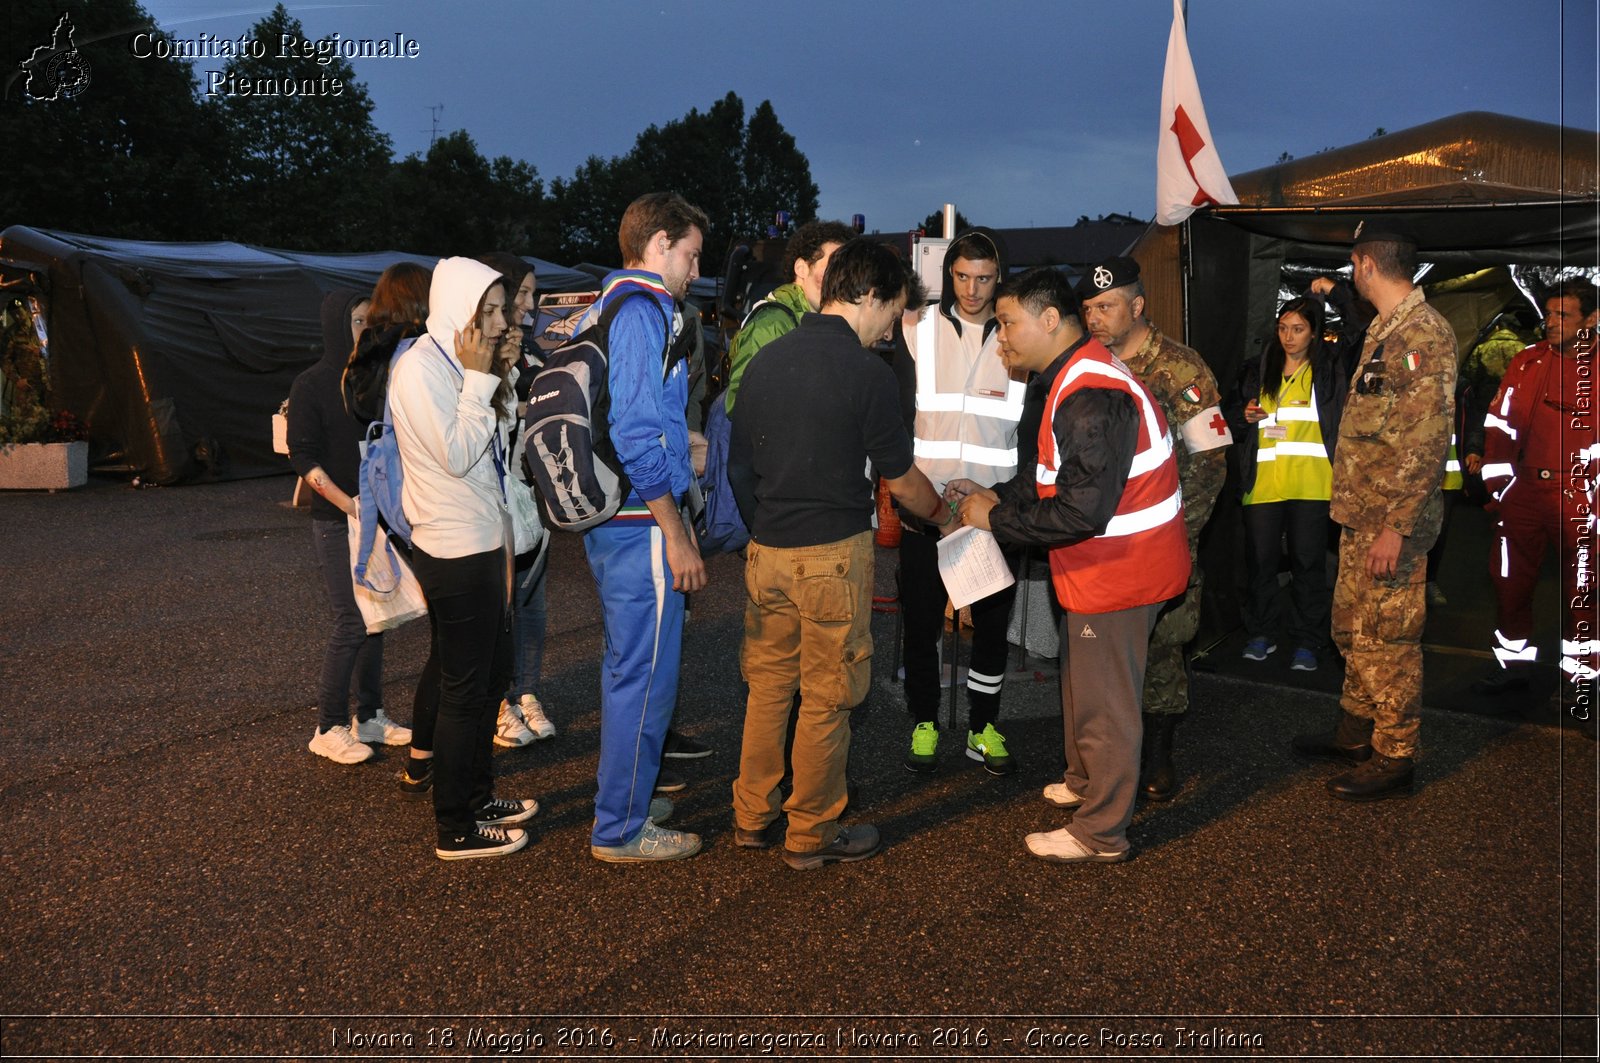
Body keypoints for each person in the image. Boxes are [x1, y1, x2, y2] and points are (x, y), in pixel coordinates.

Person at [953, 267, 1190, 863]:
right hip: (1102, 568)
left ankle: (1101, 832)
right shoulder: (1072, 376)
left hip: (1120, 571)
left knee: (1107, 702)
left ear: (1051, 320)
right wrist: (999, 499)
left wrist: (993, 520)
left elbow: (1081, 511)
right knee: (1083, 683)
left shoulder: (1090, 391)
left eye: (1007, 322)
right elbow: (1053, 481)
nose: (999, 335)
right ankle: (1086, 782)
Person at [728, 238, 940, 869]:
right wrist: (946, 516)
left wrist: (765, 528)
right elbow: (901, 480)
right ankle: (812, 831)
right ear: (869, 296)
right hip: (832, 557)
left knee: (768, 688)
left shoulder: (766, 360)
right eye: (895, 313)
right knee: (827, 695)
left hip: (767, 548)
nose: (893, 330)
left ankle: (751, 814)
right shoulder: (866, 373)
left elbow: (739, 469)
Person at [1292, 226, 1456, 801]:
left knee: (1388, 640)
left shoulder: (1422, 334)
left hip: (1392, 523)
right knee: (1352, 631)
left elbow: (1428, 442)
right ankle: (1355, 733)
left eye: (1352, 265)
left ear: (1364, 265)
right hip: (1362, 515)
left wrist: (1397, 527)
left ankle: (1396, 755)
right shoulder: (1385, 331)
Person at [389, 257, 539, 859]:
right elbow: (457, 454)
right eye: (492, 311)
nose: (504, 321)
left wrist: (495, 379)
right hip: (453, 548)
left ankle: (478, 797)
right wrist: (482, 382)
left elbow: (494, 446)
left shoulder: (462, 362)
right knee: (465, 687)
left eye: (504, 308)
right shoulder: (420, 369)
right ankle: (455, 826)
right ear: (458, 309)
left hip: (483, 537)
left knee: (492, 675)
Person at [583, 192, 709, 863]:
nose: (694, 271)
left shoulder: (610, 305)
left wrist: (681, 435)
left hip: (622, 517)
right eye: (690, 255)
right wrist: (676, 530)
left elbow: (638, 417)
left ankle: (626, 795)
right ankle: (621, 827)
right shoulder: (641, 310)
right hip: (641, 520)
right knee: (645, 673)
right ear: (658, 245)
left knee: (627, 666)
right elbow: (632, 432)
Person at [1078, 256, 1230, 801]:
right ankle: (1108, 755)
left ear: (1138, 306)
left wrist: (1177, 534)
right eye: (1089, 307)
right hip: (1101, 542)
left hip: (1163, 538)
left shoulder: (1182, 370)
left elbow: (1211, 462)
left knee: (1163, 646)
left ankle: (1159, 753)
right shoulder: (1089, 366)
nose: (1095, 317)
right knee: (1104, 653)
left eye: (1108, 306)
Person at [894, 228, 1024, 776]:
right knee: (922, 625)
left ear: (1000, 277)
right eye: (963, 277)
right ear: (948, 274)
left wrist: (1004, 497)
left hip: (996, 510)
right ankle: (924, 721)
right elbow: (897, 419)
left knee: (992, 629)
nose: (973, 290)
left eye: (985, 278)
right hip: (928, 510)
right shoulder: (915, 327)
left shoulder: (1018, 337)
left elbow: (1032, 428)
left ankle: (982, 726)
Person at [289, 288, 411, 764]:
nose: (366, 329)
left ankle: (371, 715)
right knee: (351, 622)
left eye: (370, 320)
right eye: (358, 321)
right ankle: (328, 726)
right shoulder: (312, 383)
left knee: (376, 620)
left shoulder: (371, 379)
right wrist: (348, 504)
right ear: (337, 325)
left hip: (376, 516)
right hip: (338, 521)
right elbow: (303, 454)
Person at [1475, 279, 1600, 713]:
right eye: (1548, 314)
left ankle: (1581, 677)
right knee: (1509, 582)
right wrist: (1501, 489)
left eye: (1563, 315)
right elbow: (1499, 425)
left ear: (1592, 319)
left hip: (1583, 497)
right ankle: (1512, 665)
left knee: (1584, 590)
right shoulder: (1527, 362)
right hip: (1524, 491)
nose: (1551, 323)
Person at [1224, 295, 1352, 673]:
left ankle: (1308, 642)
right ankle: (1262, 633)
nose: (1288, 337)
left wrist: (1337, 289)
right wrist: (1243, 416)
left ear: (1314, 333)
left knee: (1308, 566)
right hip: (1263, 486)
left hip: (1312, 486)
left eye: (1298, 329)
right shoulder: (1256, 369)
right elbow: (1228, 417)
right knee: (1260, 564)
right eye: (1283, 328)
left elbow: (1358, 329)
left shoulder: (1329, 372)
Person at [475, 253, 556, 748]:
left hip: (529, 507)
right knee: (497, 612)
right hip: (488, 513)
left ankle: (526, 693)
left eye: (531, 294)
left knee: (531, 608)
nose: (529, 304)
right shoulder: (477, 360)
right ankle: (498, 703)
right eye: (521, 293)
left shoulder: (530, 355)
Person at [722, 219, 857, 414]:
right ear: (801, 268)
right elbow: (740, 404)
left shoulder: (827, 323)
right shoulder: (772, 323)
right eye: (833, 268)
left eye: (846, 271)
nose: (841, 279)